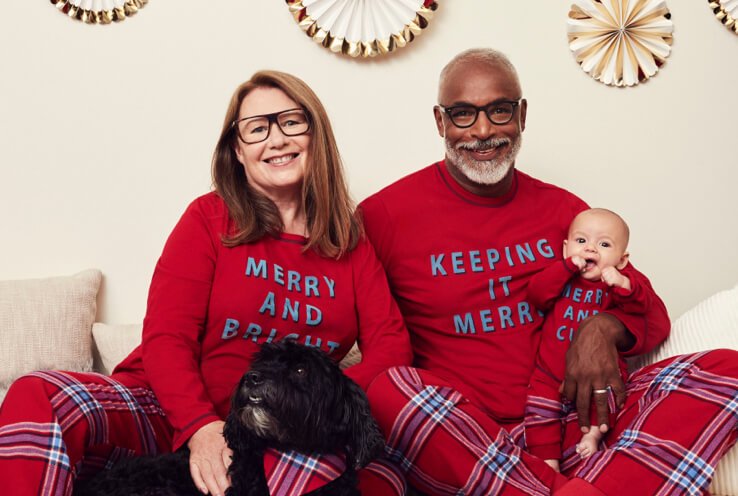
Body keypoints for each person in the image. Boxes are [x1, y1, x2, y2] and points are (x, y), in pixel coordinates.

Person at [0, 70, 411, 496]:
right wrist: (199, 426)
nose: (277, 139)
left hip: (283, 436)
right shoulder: (209, 218)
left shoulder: (347, 242)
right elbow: (166, 336)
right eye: (256, 129)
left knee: (382, 475)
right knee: (40, 395)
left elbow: (391, 346)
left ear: (315, 133)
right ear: (237, 150)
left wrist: (322, 410)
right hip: (163, 410)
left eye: (291, 121)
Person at [359, 48, 738, 495]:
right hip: (470, 436)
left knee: (724, 368)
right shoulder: (383, 216)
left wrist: (603, 328)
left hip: (574, 424)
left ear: (521, 114)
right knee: (390, 390)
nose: (483, 130)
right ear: (440, 123)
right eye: (463, 115)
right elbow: (359, 328)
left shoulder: (567, 213)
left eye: (499, 111)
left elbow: (650, 318)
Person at [524, 208, 650, 472]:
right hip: (549, 372)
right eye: (581, 242)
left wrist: (623, 283)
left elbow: (640, 308)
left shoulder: (613, 284)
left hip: (597, 375)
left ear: (622, 259)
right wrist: (567, 266)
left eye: (604, 244)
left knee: (608, 394)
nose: (590, 249)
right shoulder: (562, 278)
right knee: (539, 412)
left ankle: (593, 435)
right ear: (565, 248)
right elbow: (537, 293)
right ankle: (548, 465)